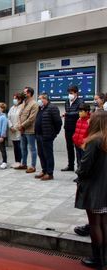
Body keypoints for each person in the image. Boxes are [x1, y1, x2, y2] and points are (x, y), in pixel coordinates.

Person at [74, 111, 107, 269]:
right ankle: (105, 257)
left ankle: (98, 259)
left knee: (94, 223)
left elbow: (85, 167)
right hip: (105, 187)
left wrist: (79, 173)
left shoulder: (94, 141)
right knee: (104, 222)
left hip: (94, 187)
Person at [34, 94, 62, 181]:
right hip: (39, 135)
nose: (38, 100)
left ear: (45, 99)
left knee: (48, 155)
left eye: (40, 99)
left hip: (47, 135)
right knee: (41, 154)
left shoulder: (52, 108)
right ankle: (44, 170)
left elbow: (58, 122)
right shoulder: (40, 108)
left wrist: (54, 134)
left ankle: (50, 173)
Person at [16, 87, 39, 174]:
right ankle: (24, 164)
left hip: (30, 130)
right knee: (23, 148)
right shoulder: (23, 104)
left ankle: (33, 166)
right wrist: (19, 125)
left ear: (29, 93)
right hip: (22, 130)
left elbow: (32, 118)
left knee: (32, 148)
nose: (23, 93)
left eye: (25, 92)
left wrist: (22, 125)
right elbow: (19, 116)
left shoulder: (34, 104)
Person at [62, 85, 84, 172]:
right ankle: (70, 165)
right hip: (68, 127)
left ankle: (79, 167)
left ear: (76, 93)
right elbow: (67, 114)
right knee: (69, 147)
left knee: (78, 148)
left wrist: (67, 114)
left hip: (77, 128)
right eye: (69, 93)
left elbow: (79, 113)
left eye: (71, 93)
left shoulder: (80, 101)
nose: (69, 95)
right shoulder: (67, 101)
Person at [8, 92, 25, 169]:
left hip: (18, 129)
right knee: (15, 146)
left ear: (20, 99)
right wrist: (11, 126)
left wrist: (15, 127)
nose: (14, 100)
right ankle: (16, 161)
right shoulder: (12, 108)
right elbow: (8, 118)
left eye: (16, 98)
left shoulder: (23, 107)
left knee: (19, 146)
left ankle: (20, 162)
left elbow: (21, 119)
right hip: (12, 129)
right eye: (14, 98)